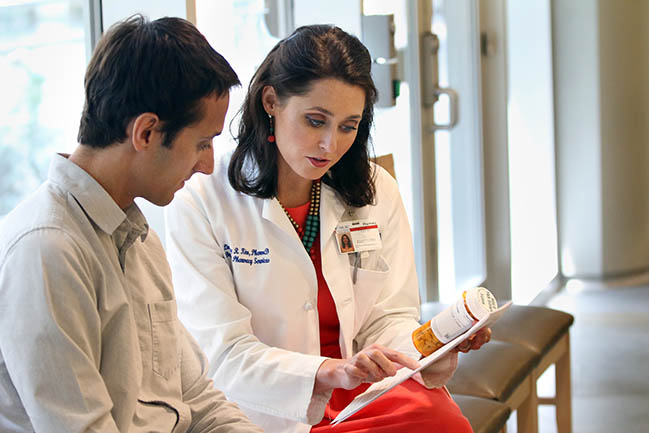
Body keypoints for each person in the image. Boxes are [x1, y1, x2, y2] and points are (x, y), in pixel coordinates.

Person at [165, 25, 490, 433]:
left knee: (443, 423)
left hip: (370, 392)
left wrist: (436, 344)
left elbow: (388, 318)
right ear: (271, 101)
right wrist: (328, 371)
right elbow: (223, 354)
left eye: (348, 126)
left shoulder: (374, 189)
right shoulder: (202, 198)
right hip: (268, 407)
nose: (329, 145)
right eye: (315, 121)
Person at [0, 15, 263, 433]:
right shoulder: (48, 250)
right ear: (146, 132)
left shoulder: (138, 240)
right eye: (202, 143)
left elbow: (196, 397)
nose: (207, 164)